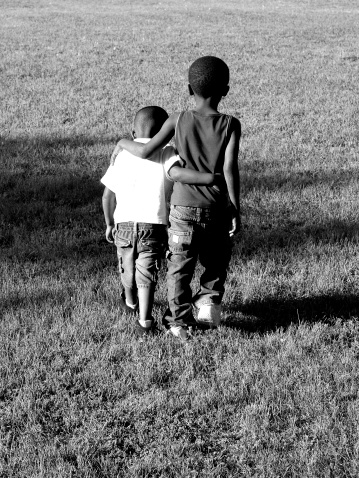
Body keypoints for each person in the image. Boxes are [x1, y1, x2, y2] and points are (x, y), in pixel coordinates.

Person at [115, 56, 241, 341]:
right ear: (226, 90)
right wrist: (234, 206)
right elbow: (229, 168)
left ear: (188, 89)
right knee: (216, 260)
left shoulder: (178, 119)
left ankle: (178, 321)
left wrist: (123, 142)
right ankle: (209, 301)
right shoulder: (231, 125)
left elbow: (147, 152)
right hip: (216, 206)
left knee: (179, 266)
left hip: (183, 209)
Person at [101, 105, 221, 336]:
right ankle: (145, 322)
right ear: (163, 134)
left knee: (127, 267)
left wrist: (109, 223)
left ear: (134, 134)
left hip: (124, 225)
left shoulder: (122, 155)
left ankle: (129, 301)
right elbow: (177, 174)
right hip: (154, 226)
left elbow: (108, 195)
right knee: (147, 274)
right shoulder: (167, 152)